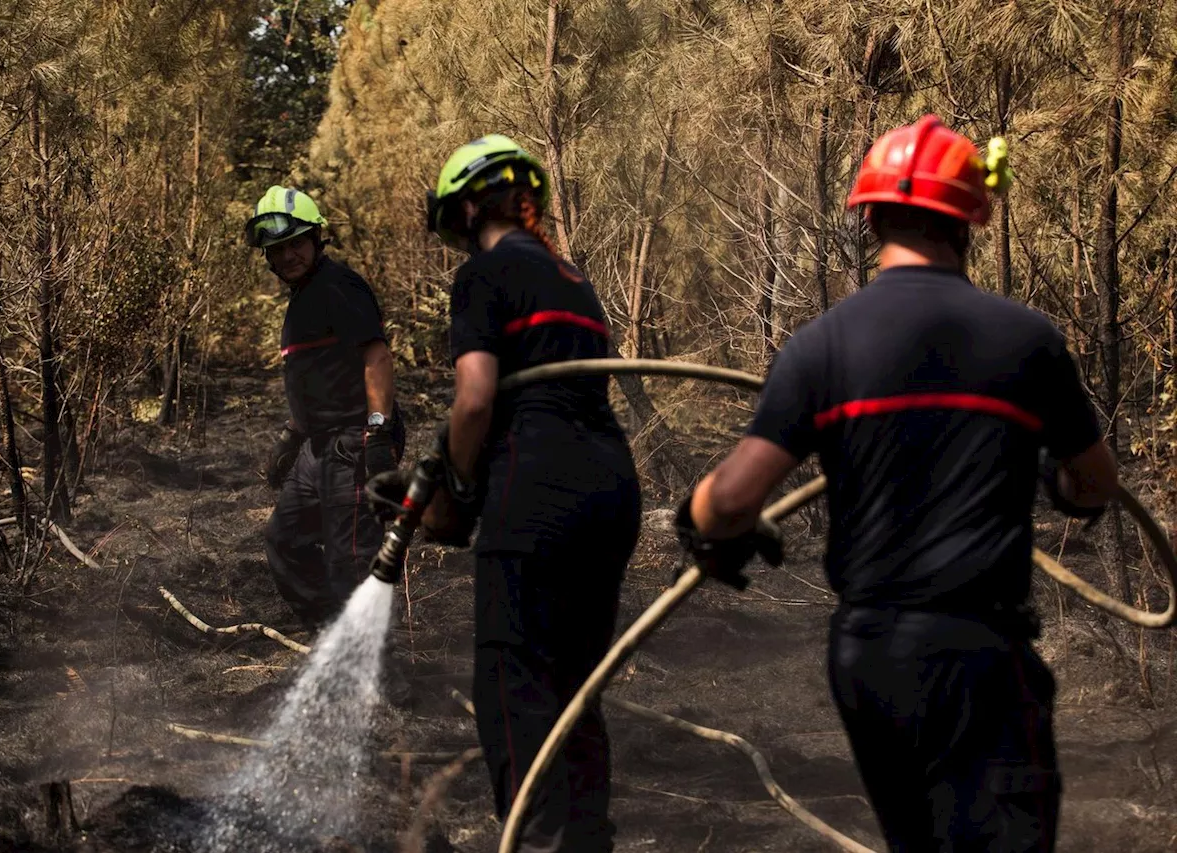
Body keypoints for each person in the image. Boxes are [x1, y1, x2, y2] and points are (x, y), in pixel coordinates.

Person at [672, 115, 1119, 852]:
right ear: (971, 222)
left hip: (870, 661)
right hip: (979, 658)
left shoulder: (820, 346)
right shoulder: (1026, 340)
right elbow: (1096, 481)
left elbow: (727, 502)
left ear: (870, 216)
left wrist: (701, 524)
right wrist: (1054, 479)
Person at [373, 134, 642, 851]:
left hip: (539, 491)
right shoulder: (572, 277)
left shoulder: (485, 274)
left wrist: (454, 492)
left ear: (465, 208)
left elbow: (475, 401)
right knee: (576, 692)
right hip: (611, 492)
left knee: (517, 689)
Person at [245, 185, 406, 630]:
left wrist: (377, 433)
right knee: (285, 540)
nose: (288, 255)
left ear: (317, 239)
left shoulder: (339, 286)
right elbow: (318, 380)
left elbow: (377, 357)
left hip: (354, 439)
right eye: (277, 248)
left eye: (296, 243)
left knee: (351, 558)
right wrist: (291, 435)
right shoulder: (302, 299)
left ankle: (379, 673)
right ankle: (334, 634)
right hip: (317, 446)